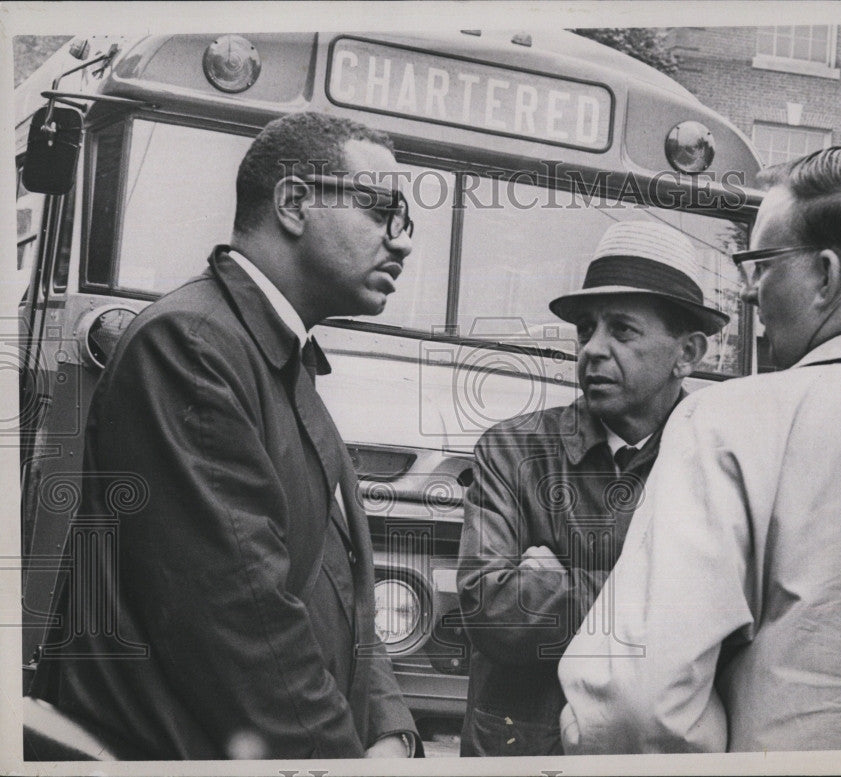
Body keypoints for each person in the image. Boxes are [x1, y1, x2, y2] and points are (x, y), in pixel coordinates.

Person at [29, 112, 421, 759]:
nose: (401, 242)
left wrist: (387, 727)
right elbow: (244, 624)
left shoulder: (266, 354)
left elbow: (328, 581)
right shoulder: (194, 346)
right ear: (293, 203)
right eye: (381, 210)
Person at [559, 146, 841, 753]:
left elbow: (638, 703)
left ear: (827, 274)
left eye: (761, 264)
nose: (749, 294)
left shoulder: (729, 420)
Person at [457, 220, 730, 756]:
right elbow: (488, 608)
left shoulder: (721, 461)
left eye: (622, 331)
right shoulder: (514, 451)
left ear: (688, 352)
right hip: (520, 753)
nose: (593, 350)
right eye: (586, 329)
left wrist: (552, 587)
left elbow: (740, 627)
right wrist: (667, 601)